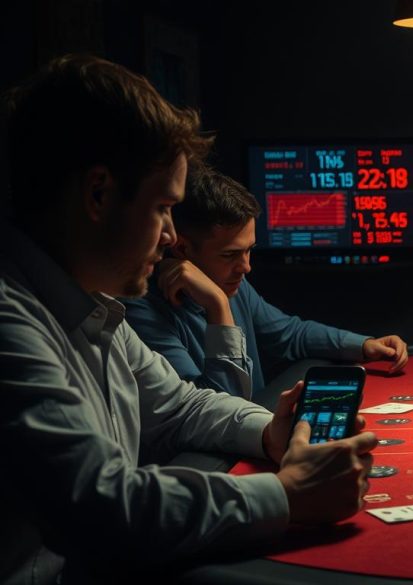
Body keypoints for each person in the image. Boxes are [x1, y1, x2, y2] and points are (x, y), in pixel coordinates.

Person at [0, 54, 377, 584]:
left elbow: (181, 405)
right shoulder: (9, 319)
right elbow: (100, 505)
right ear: (99, 194)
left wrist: (271, 432)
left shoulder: (93, 307)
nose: (174, 236)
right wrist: (287, 494)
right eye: (162, 208)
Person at [122, 165, 409, 403]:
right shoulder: (141, 311)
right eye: (231, 254)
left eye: (249, 250)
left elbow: (290, 334)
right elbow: (217, 412)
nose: (246, 267)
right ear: (182, 249)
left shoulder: (232, 282)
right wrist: (217, 305)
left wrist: (365, 345)